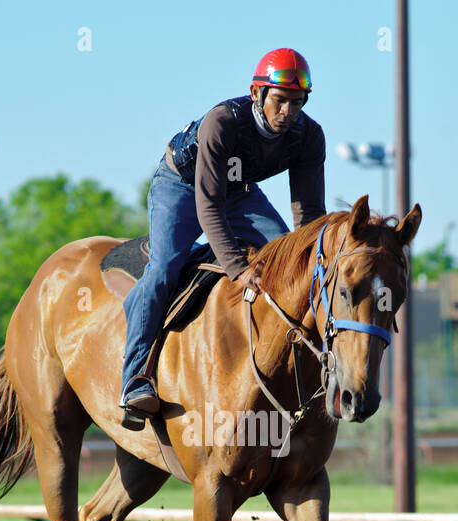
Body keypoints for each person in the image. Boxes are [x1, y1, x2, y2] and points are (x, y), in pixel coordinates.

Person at [120, 48, 327, 415]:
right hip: (182, 186)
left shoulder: (309, 135)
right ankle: (134, 376)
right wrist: (237, 267)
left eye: (297, 103)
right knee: (165, 267)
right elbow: (208, 204)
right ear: (255, 93)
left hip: (241, 191)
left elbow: (309, 216)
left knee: (287, 263)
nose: (288, 113)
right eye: (280, 101)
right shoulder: (222, 122)